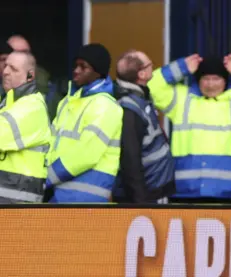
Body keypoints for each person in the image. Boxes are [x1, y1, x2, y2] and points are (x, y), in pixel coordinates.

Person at [148, 53, 231, 204]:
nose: (211, 84)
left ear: (225, 80)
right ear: (198, 80)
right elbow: (152, 85)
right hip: (185, 191)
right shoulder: (182, 100)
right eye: (206, 79)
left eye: (216, 79)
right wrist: (182, 67)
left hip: (228, 193)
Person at [47, 44, 123, 203]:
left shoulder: (105, 105)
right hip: (60, 191)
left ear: (98, 72)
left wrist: (46, 178)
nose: (76, 70)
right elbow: (52, 142)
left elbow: (86, 153)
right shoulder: (68, 101)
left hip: (85, 197)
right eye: (76, 65)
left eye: (84, 67)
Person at [112, 50, 175, 203]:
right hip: (147, 195)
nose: (153, 67)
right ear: (141, 74)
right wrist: (141, 202)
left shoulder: (140, 97)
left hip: (154, 190)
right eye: (149, 65)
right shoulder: (129, 108)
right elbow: (130, 160)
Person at [0, 51, 50, 203]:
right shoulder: (9, 103)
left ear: (30, 76)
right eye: (6, 66)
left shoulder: (33, 106)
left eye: (13, 69)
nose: (5, 71)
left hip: (18, 201)